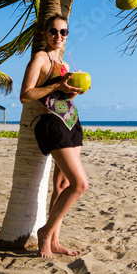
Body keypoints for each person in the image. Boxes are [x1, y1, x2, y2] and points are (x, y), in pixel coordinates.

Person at [19, 15, 89, 259]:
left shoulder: (64, 63)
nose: (59, 36)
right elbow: (26, 95)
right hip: (53, 123)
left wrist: (75, 90)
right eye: (54, 31)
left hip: (72, 122)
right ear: (45, 34)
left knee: (62, 185)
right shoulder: (40, 58)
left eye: (63, 32)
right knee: (80, 184)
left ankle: (55, 241)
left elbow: (64, 98)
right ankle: (45, 232)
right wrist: (56, 86)